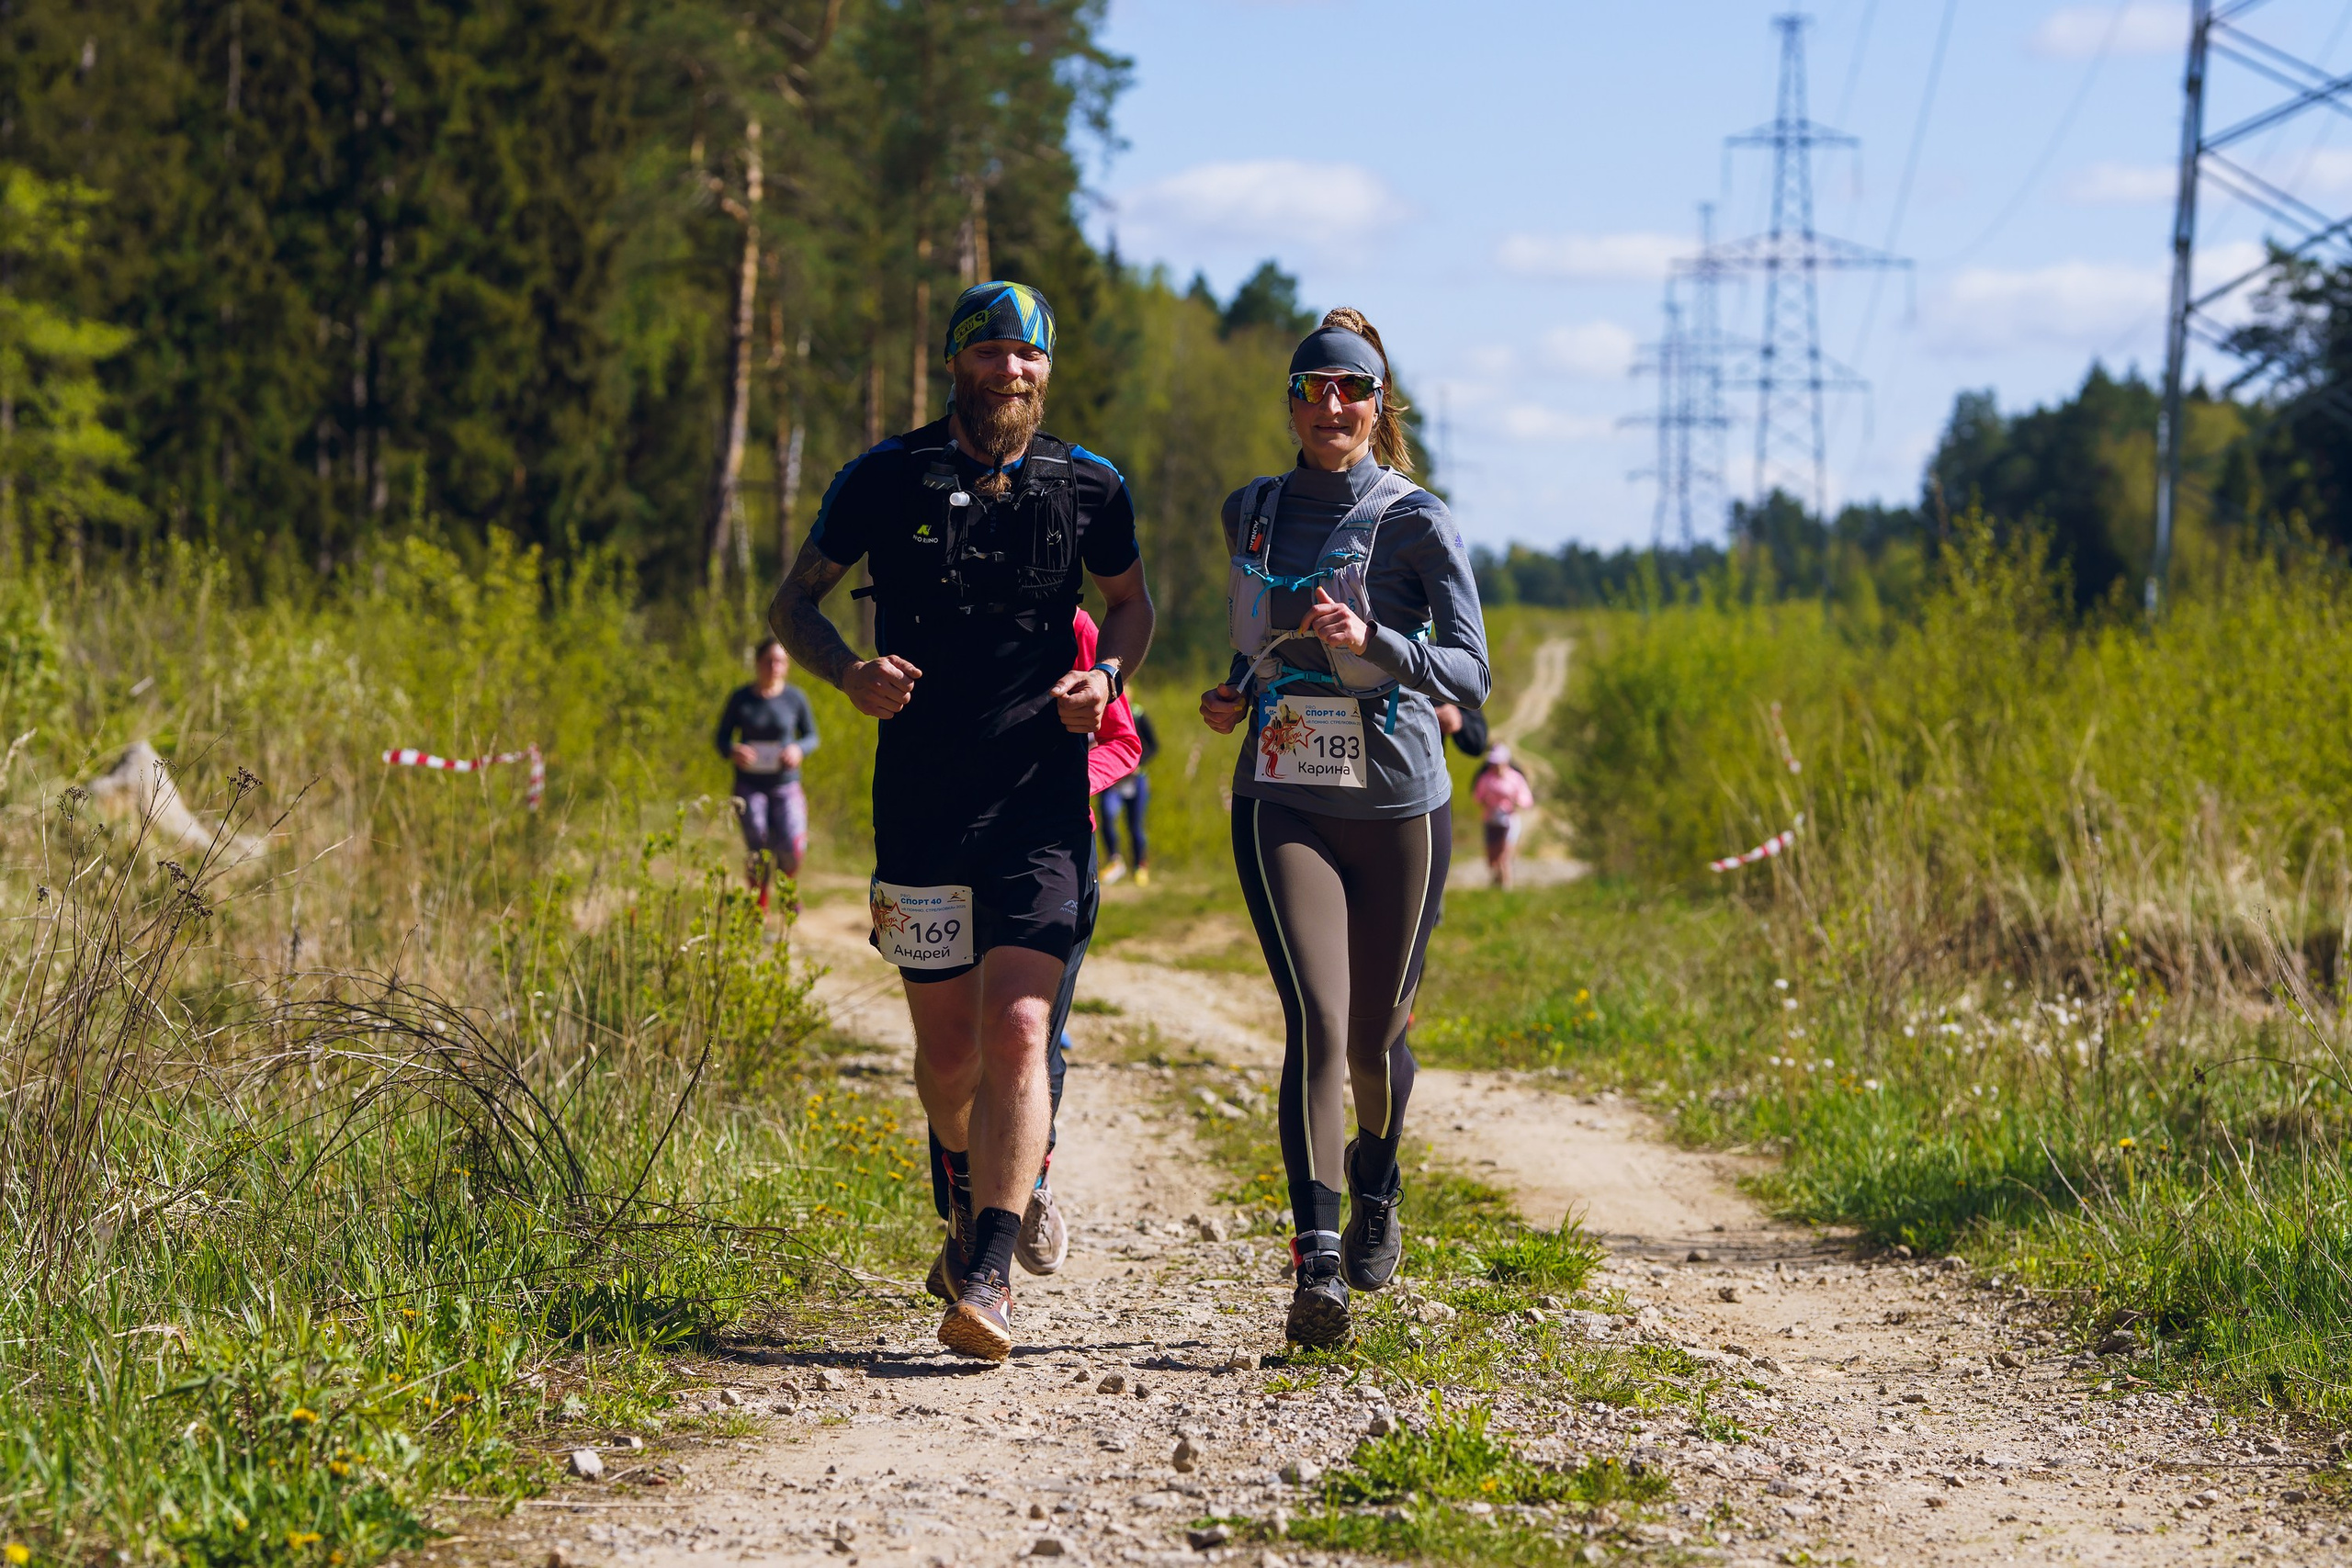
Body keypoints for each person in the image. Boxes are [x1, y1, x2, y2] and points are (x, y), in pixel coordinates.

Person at [770, 279, 1152, 1362]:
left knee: (1021, 1031)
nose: (1011, 372)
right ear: (957, 364)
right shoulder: (884, 478)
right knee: (946, 1059)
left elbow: (1131, 603)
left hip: (1040, 798)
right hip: (922, 804)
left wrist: (1107, 680)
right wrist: (846, 670)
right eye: (990, 354)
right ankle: (958, 1189)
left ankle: (988, 1269)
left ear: (1046, 373)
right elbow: (792, 602)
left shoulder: (1091, 485)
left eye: (1028, 358)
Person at [1199, 308, 1489, 1348]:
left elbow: (1471, 670)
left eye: (1350, 391)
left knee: (1375, 1040)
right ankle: (1315, 1261)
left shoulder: (1417, 521)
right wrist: (1233, 690)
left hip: (1399, 803)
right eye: (1312, 389)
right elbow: (1253, 636)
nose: (1330, 407)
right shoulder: (1252, 511)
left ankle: (1376, 1172)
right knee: (1317, 1024)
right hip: (1284, 792)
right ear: (1288, 401)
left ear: (1378, 406)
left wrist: (1380, 642)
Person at [922, 605, 1140, 1286]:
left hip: (1051, 853)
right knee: (955, 1046)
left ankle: (1025, 1187)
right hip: (951, 849)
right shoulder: (928, 605)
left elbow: (1123, 741)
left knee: (1029, 1035)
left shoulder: (1074, 625)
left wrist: (1057, 787)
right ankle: (964, 1215)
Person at [715, 638, 820, 908]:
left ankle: (788, 890)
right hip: (750, 785)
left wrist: (798, 749)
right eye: (768, 661)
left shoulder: (795, 698)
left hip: (786, 784)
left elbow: (812, 736)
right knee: (758, 845)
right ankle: (758, 907)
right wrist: (733, 750)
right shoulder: (741, 698)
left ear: (786, 666)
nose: (774, 666)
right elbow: (721, 739)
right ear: (758, 663)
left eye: (780, 661)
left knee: (792, 846)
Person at [1095, 708, 1158, 886]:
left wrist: (1137, 763)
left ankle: (1139, 866)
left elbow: (1153, 746)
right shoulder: (1100, 711)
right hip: (1113, 779)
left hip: (1136, 779)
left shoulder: (1138, 714)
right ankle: (1115, 861)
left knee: (1135, 825)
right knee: (1107, 816)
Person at [1473, 743, 1536, 889]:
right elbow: (1477, 797)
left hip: (1509, 820)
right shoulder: (1486, 778)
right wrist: (1486, 802)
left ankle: (1506, 886)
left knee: (1504, 856)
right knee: (1492, 857)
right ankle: (1496, 882)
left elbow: (1526, 800)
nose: (1495, 766)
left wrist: (1515, 802)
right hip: (1491, 819)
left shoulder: (1515, 778)